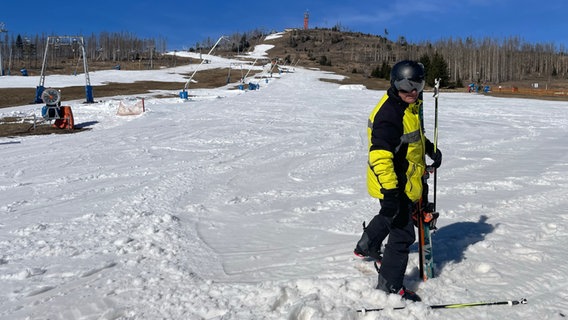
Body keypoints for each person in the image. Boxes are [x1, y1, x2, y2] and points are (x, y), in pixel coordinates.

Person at [354, 60, 442, 302]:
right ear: (394, 84)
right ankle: (389, 286)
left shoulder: (408, 104)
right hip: (393, 181)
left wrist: (430, 149)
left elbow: (411, 136)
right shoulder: (390, 114)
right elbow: (380, 156)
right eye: (405, 87)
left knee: (389, 216)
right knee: (403, 234)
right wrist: (392, 192)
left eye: (417, 85)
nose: (412, 92)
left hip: (399, 178)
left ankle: (366, 246)